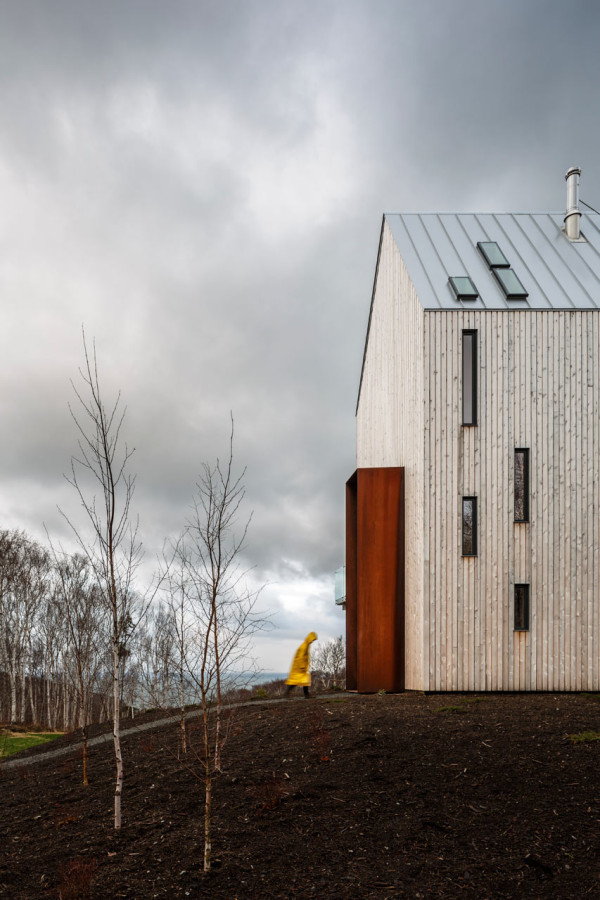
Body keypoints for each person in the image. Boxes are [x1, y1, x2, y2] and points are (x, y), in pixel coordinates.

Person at [285, 632, 318, 698]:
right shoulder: (304, 646)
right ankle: (289, 693)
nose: (312, 642)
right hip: (299, 667)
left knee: (304, 680)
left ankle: (306, 694)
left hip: (300, 666)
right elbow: (300, 657)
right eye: (313, 640)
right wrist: (302, 666)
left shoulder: (306, 645)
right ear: (310, 639)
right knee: (297, 681)